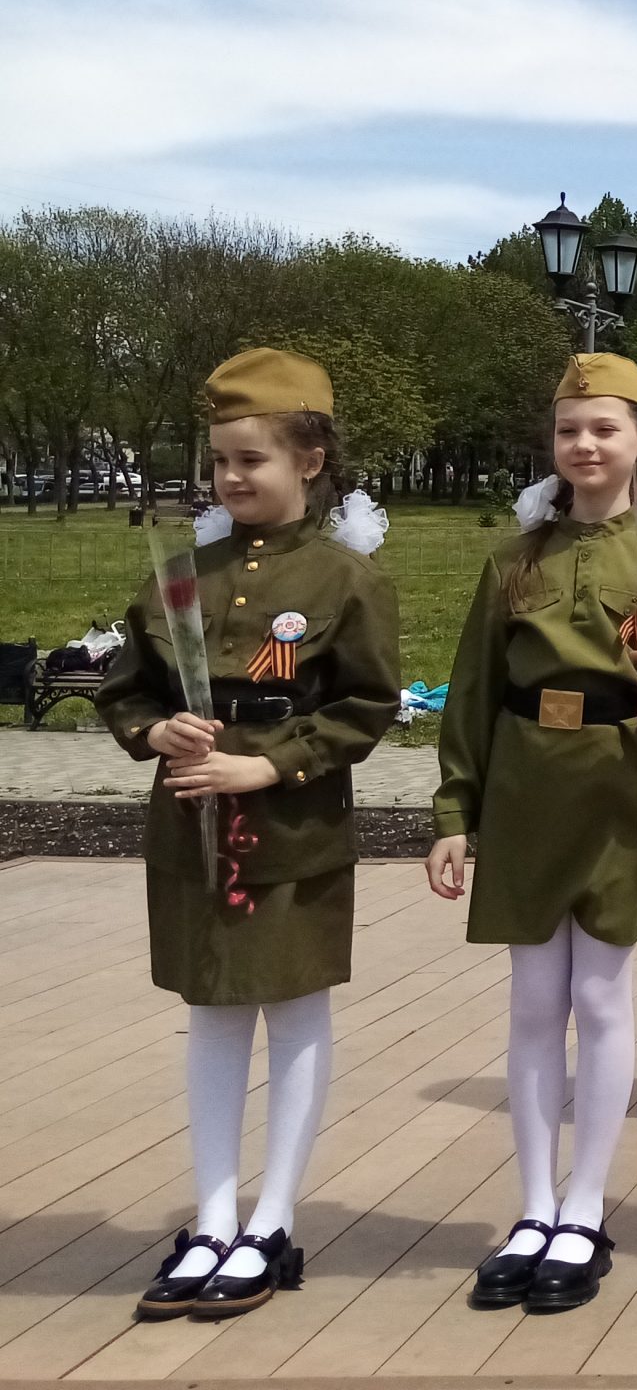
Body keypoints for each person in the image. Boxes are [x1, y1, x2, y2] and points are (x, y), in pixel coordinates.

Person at [100, 349, 400, 1322]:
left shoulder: (346, 578)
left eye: (251, 459)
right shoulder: (183, 572)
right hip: (191, 822)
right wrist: (154, 731)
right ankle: (213, 1216)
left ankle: (272, 1219)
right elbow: (128, 687)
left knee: (294, 1006)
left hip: (292, 822)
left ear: (310, 459)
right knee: (213, 1009)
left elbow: (365, 706)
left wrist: (266, 765)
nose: (231, 477)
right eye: (220, 460)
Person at [429, 354, 637, 1314]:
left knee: (598, 994)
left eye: (604, 428)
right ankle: (533, 1206)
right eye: (568, 430)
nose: (584, 445)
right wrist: (455, 813)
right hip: (523, 786)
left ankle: (585, 1205)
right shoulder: (515, 560)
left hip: (612, 786)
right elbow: (471, 693)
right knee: (531, 1001)